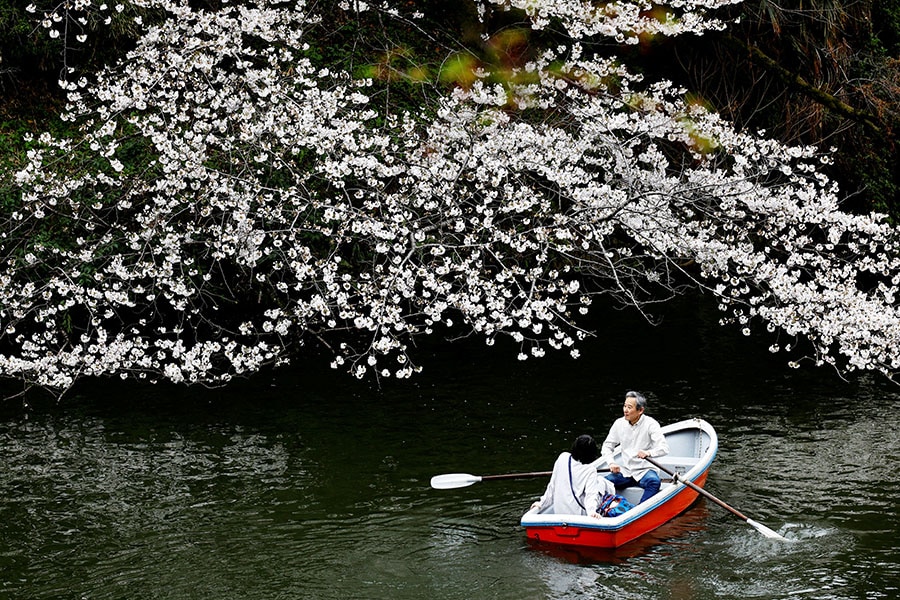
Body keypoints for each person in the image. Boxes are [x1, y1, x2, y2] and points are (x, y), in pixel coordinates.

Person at [601, 391, 669, 504]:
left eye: (629, 407)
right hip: (626, 471)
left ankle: (639, 510)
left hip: (645, 470)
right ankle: (607, 508)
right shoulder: (619, 424)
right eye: (624, 406)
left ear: (640, 410)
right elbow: (607, 446)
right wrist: (611, 463)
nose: (625, 410)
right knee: (604, 482)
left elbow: (664, 448)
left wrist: (648, 453)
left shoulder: (651, 424)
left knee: (654, 482)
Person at [530, 434, 615, 517]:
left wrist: (541, 503)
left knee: (601, 482)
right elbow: (591, 495)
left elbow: (552, 486)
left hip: (559, 512)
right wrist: (592, 512)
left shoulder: (562, 458)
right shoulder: (590, 470)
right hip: (578, 514)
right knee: (604, 483)